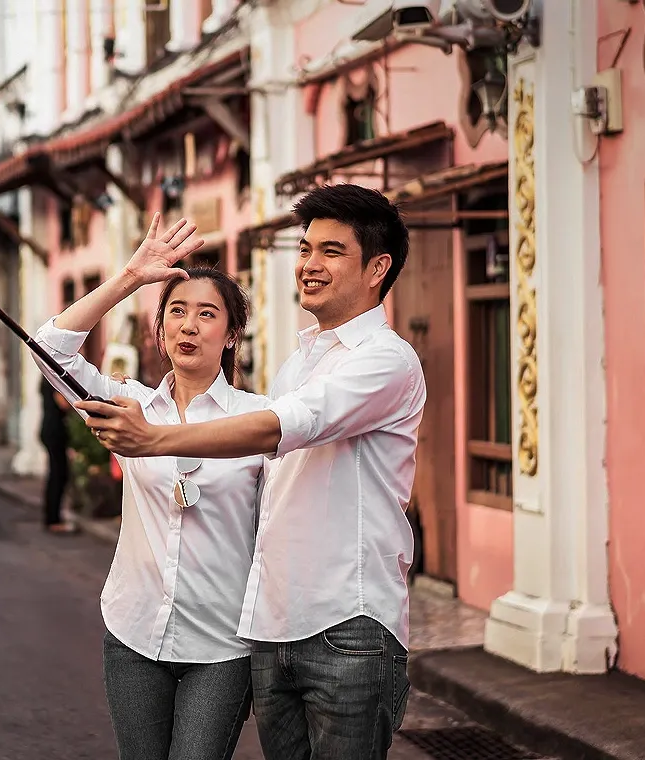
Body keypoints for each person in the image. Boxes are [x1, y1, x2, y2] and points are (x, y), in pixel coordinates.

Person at [77, 185, 426, 760]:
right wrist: (131, 279)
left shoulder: (387, 359)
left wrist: (154, 440)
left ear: (377, 268)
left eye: (332, 252)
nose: (310, 265)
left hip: (348, 624)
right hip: (273, 628)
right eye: (306, 249)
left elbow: (289, 424)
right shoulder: (299, 363)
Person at [33, 214, 265, 760]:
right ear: (160, 332)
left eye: (207, 315)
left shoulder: (262, 420)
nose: (189, 326)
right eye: (177, 313)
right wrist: (131, 279)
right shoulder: (131, 406)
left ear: (231, 335)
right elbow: (50, 350)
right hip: (134, 632)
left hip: (222, 646)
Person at [39, 376, 78, 533]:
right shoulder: (53, 378)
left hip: (50, 429)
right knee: (58, 474)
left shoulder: (46, 378)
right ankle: (53, 519)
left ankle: (53, 517)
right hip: (54, 430)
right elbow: (63, 402)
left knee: (56, 473)